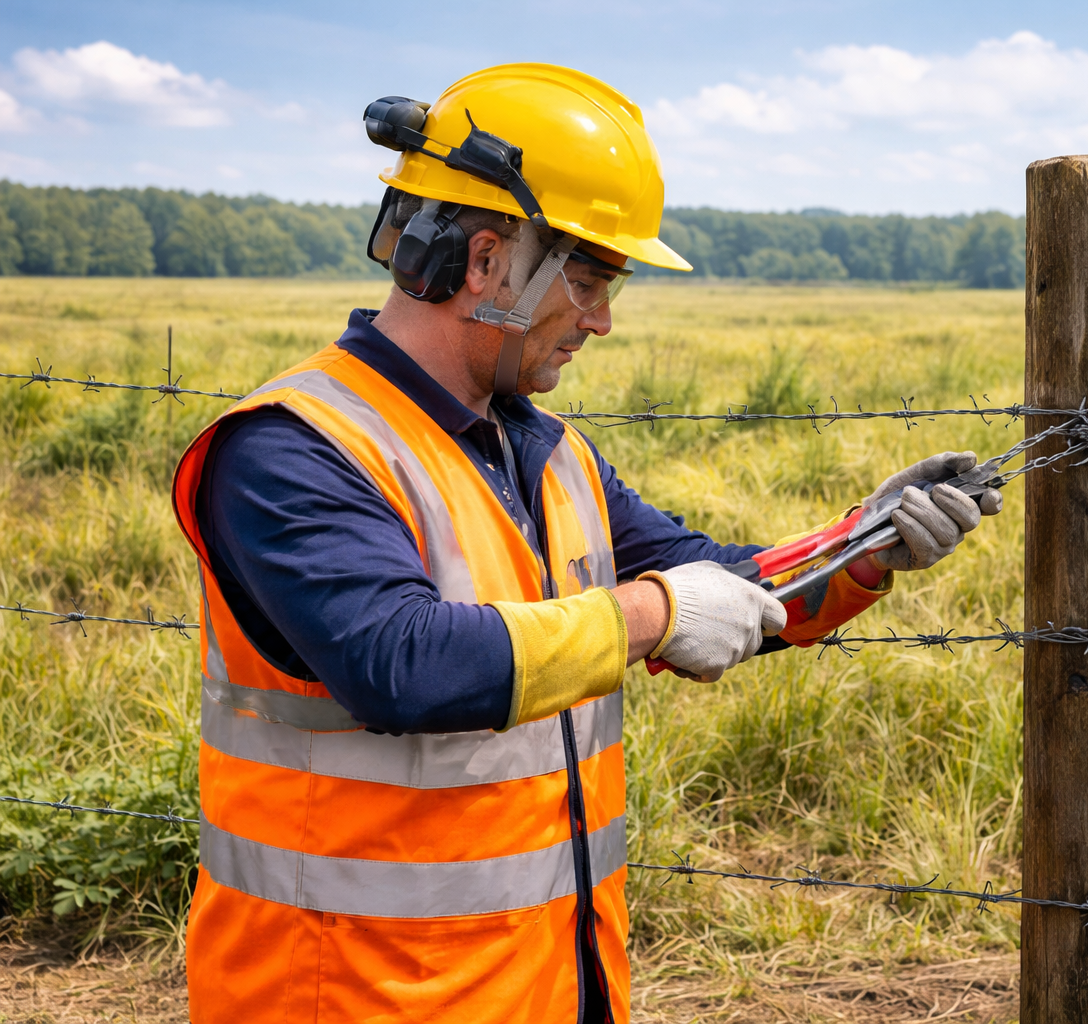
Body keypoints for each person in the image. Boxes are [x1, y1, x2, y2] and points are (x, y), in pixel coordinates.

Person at [171, 63, 1001, 1024]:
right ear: (484, 262)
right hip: (347, 994)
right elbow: (401, 665)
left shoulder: (545, 450)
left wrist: (862, 548)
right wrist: (653, 615)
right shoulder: (292, 449)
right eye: (590, 282)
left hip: (552, 984)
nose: (602, 321)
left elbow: (716, 584)